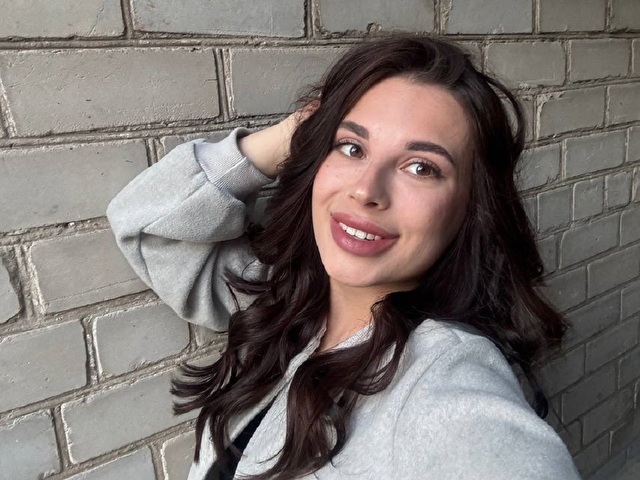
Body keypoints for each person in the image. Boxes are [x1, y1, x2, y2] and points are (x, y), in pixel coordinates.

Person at [107, 34, 581, 479]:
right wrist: (294, 134)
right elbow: (148, 226)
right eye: (351, 147)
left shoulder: (448, 385)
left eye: (421, 167)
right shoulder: (279, 304)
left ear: (472, 208)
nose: (365, 190)